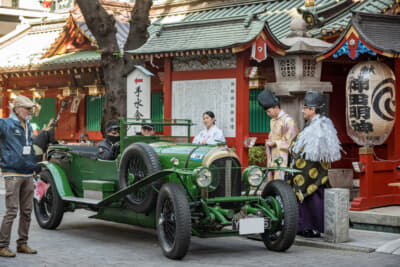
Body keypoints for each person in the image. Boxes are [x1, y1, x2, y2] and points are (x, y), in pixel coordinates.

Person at [288, 91, 341, 238]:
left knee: (312, 198)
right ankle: (305, 226)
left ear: (312, 109)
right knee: (308, 199)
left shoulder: (320, 126)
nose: (302, 110)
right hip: (305, 170)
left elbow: (316, 153)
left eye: (305, 108)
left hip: (312, 171)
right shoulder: (314, 124)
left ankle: (310, 227)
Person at [0, 95, 38, 257]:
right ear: (17, 109)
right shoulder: (5, 124)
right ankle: (2, 246)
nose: (30, 111)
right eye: (27, 108)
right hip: (12, 173)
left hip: (28, 173)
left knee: (27, 211)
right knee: (12, 211)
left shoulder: (28, 125)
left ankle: (22, 243)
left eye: (31, 108)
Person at [257, 89, 298, 182]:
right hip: (273, 158)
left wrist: (275, 143)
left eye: (269, 111)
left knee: (281, 184)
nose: (268, 114)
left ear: (276, 107)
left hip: (284, 159)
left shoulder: (288, 121)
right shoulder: (273, 121)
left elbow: (293, 142)